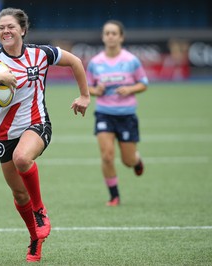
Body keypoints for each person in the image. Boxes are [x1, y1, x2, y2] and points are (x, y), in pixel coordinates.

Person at [0, 8, 90, 263]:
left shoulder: (41, 54)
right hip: (6, 135)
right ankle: (35, 238)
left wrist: (85, 96)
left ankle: (40, 210)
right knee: (18, 194)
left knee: (23, 158)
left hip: (37, 125)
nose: (6, 31)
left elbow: (75, 62)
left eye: (11, 26)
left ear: (22, 29)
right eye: (1, 27)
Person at [86, 20, 149, 207]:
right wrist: (97, 90)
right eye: (107, 33)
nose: (110, 36)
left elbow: (144, 83)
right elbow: (87, 86)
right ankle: (114, 196)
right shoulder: (95, 63)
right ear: (103, 37)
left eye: (114, 33)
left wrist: (130, 89)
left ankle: (136, 160)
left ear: (121, 37)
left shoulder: (131, 60)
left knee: (128, 160)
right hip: (104, 114)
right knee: (107, 156)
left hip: (127, 115)